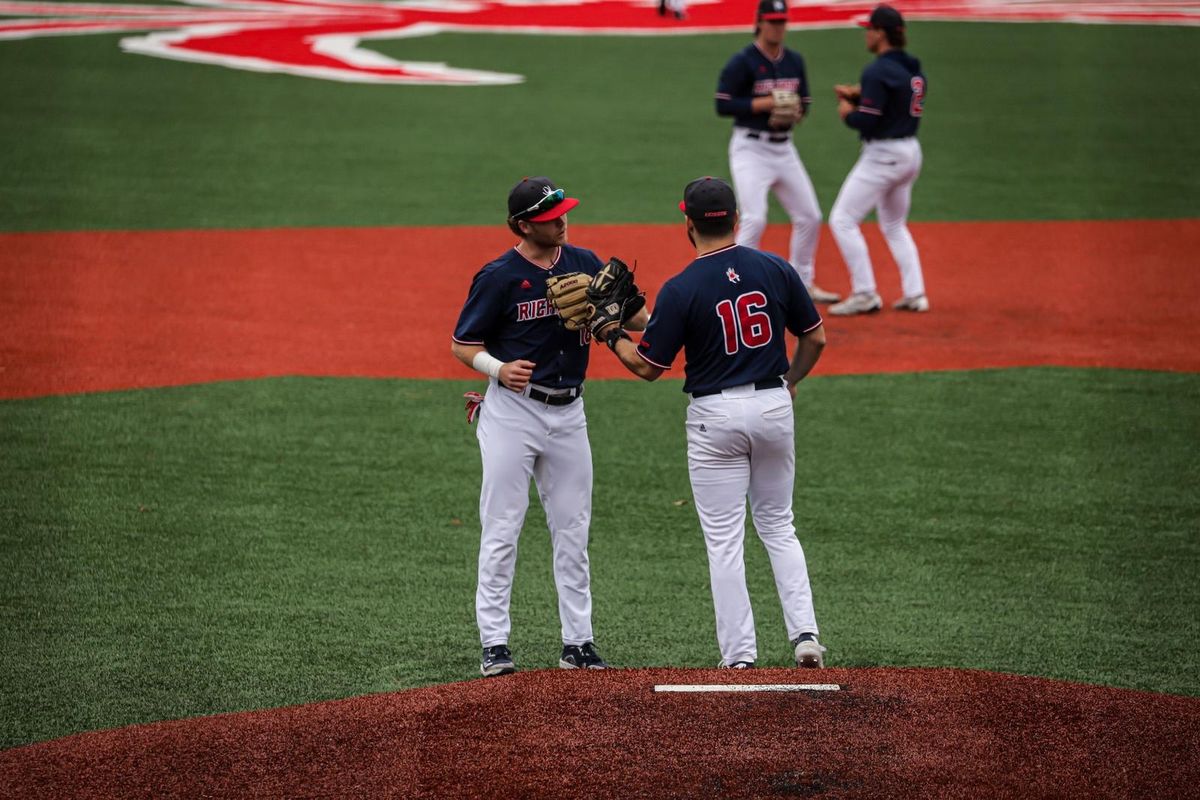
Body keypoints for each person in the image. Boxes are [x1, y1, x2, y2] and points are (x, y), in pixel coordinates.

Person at [594, 176, 827, 669]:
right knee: (778, 526)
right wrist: (789, 380)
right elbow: (816, 339)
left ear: (689, 224)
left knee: (725, 542)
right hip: (772, 407)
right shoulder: (775, 267)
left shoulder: (682, 288)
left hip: (714, 417)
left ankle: (741, 657)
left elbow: (647, 367)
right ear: (736, 218)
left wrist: (610, 331)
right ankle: (805, 635)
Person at [451, 176, 648, 677]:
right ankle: (495, 644)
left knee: (573, 530)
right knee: (502, 530)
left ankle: (578, 643)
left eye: (563, 214)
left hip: (569, 414)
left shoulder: (584, 261)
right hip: (513, 414)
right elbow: (462, 343)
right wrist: (498, 369)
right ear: (521, 225)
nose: (561, 222)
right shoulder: (498, 276)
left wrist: (624, 302)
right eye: (548, 218)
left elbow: (642, 321)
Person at [715, 0, 840, 306]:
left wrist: (795, 112)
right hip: (750, 149)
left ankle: (802, 284)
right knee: (755, 218)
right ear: (759, 22)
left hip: (784, 148)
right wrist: (764, 104)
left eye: (781, 21)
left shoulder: (794, 61)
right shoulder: (742, 61)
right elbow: (723, 104)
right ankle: (733, 285)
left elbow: (805, 104)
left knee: (810, 216)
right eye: (772, 21)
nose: (777, 27)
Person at [827, 4, 930, 315]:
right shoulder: (912, 67)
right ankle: (916, 293)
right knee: (895, 224)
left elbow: (867, 121)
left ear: (881, 34)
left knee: (842, 220)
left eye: (870, 30)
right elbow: (893, 102)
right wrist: (862, 96)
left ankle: (864, 292)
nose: (867, 35)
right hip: (910, 152)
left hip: (883, 155)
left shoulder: (876, 70)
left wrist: (848, 112)